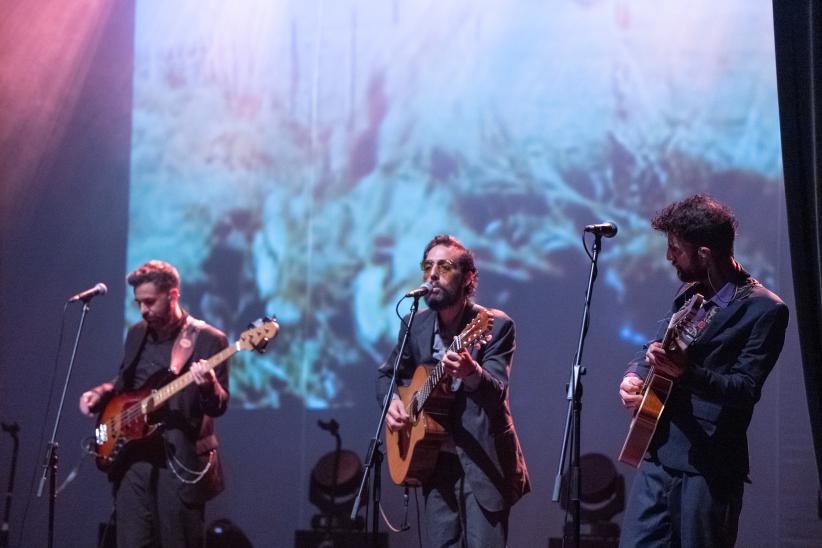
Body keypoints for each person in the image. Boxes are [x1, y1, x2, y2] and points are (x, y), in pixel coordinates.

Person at [618, 195, 789, 547]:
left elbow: (744, 389)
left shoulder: (764, 310)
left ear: (705, 255)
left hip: (708, 469)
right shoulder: (690, 295)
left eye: (676, 249)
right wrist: (634, 374)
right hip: (658, 454)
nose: (669, 257)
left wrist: (687, 373)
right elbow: (652, 345)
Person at [377, 235, 530, 547]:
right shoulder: (414, 325)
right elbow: (387, 376)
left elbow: (496, 392)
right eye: (427, 266)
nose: (432, 274)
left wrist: (470, 371)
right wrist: (393, 401)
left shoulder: (494, 325)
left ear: (468, 279)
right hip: (434, 464)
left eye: (444, 267)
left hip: (483, 461)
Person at [79, 260, 230, 548]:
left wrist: (208, 386)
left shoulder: (209, 340)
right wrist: (101, 393)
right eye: (138, 303)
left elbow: (219, 406)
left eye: (149, 302)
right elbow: (125, 384)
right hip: (133, 461)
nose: (143, 310)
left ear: (173, 295)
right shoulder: (137, 332)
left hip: (178, 463)